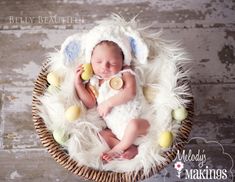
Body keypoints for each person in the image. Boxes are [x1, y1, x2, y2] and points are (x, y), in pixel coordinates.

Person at [75, 40, 150, 162]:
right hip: (118, 132)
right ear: (91, 62)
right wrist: (79, 85)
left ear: (122, 62)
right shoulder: (94, 82)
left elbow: (130, 92)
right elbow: (90, 103)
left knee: (134, 125)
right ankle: (130, 148)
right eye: (99, 62)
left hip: (143, 124)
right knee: (101, 134)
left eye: (113, 62)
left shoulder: (125, 73)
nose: (105, 66)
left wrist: (108, 103)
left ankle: (118, 148)